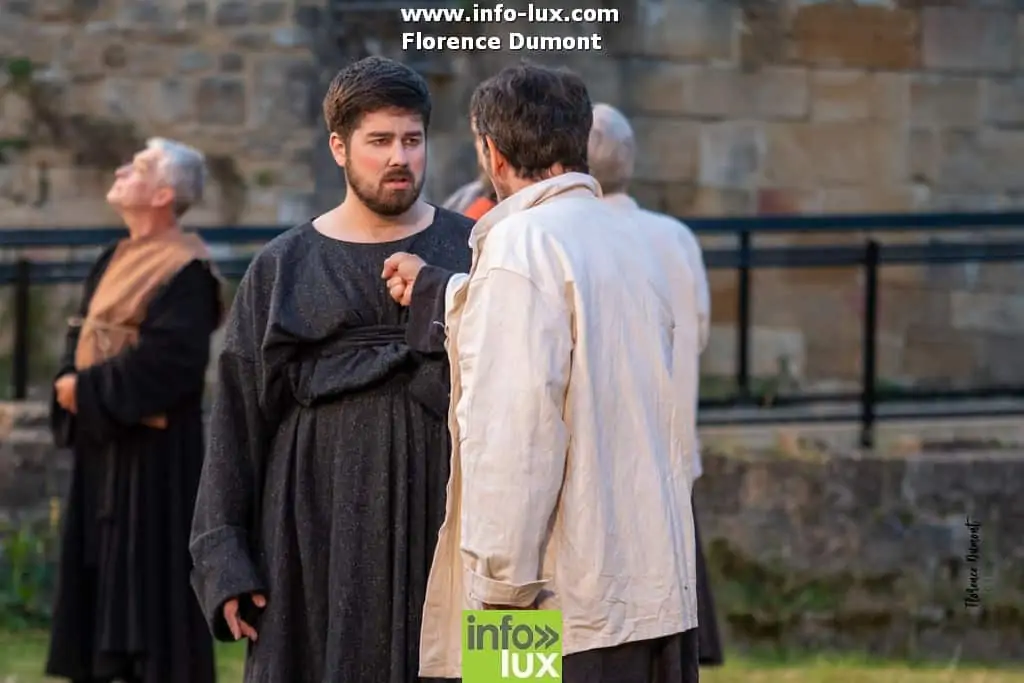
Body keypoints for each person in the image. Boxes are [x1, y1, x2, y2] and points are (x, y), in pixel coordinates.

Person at [383, 63, 703, 682]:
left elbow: (516, 433)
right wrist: (446, 292)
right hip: (650, 590)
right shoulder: (630, 240)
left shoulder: (519, 246)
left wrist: (498, 585)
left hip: (551, 602)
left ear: (492, 154)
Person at [188, 56, 473, 683]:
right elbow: (236, 421)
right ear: (339, 148)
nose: (399, 157)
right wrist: (224, 560)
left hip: (466, 525)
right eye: (380, 141)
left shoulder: (479, 247)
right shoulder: (282, 266)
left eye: (412, 140)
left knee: (498, 667)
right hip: (314, 529)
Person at [45, 138, 221, 683]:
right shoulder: (114, 256)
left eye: (138, 167)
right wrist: (70, 380)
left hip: (155, 460)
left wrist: (86, 388)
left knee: (151, 583)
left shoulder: (187, 268)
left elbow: (173, 362)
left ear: (164, 194)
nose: (122, 170)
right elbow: (83, 332)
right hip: (105, 447)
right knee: (98, 575)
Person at [588, 101, 724, 667]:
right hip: (665, 458)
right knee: (652, 645)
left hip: (577, 477)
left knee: (528, 642)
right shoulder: (674, 238)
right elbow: (698, 333)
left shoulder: (539, 236)